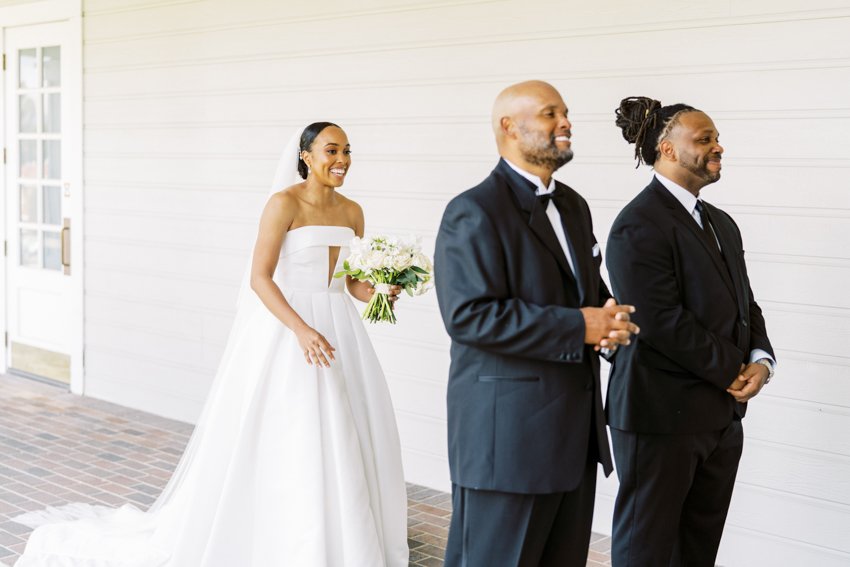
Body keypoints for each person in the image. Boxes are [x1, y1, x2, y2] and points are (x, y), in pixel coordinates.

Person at [13, 122, 409, 566]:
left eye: (347, 151)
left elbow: (348, 281)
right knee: (298, 426)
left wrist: (379, 293)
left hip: (340, 331)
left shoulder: (353, 211)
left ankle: (345, 535)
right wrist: (300, 328)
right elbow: (259, 279)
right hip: (290, 328)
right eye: (331, 150)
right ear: (306, 157)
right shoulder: (283, 204)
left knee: (349, 424)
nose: (342, 160)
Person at [434, 80, 639, 567]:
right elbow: (469, 316)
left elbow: (586, 292)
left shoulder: (574, 205)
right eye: (550, 114)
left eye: (565, 113)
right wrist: (578, 327)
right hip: (507, 446)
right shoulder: (472, 211)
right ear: (509, 127)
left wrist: (608, 325)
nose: (565, 123)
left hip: (573, 442)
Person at [605, 97, 776, 567]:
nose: (718, 147)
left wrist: (761, 361)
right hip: (659, 417)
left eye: (717, 138)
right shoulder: (637, 223)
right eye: (704, 139)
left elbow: (746, 304)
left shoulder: (722, 223)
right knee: (647, 551)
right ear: (666, 149)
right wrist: (731, 370)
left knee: (697, 552)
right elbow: (659, 320)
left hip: (720, 419)